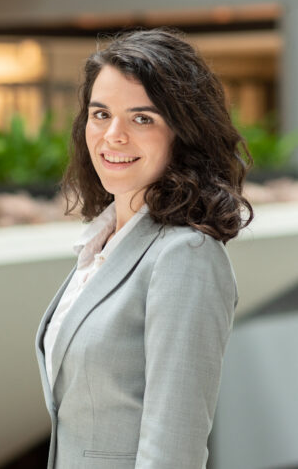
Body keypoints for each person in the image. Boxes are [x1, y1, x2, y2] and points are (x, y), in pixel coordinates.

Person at [34, 28, 254, 469]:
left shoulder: (185, 255)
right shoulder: (101, 245)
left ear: (183, 133)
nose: (113, 135)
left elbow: (174, 445)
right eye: (101, 114)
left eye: (142, 118)